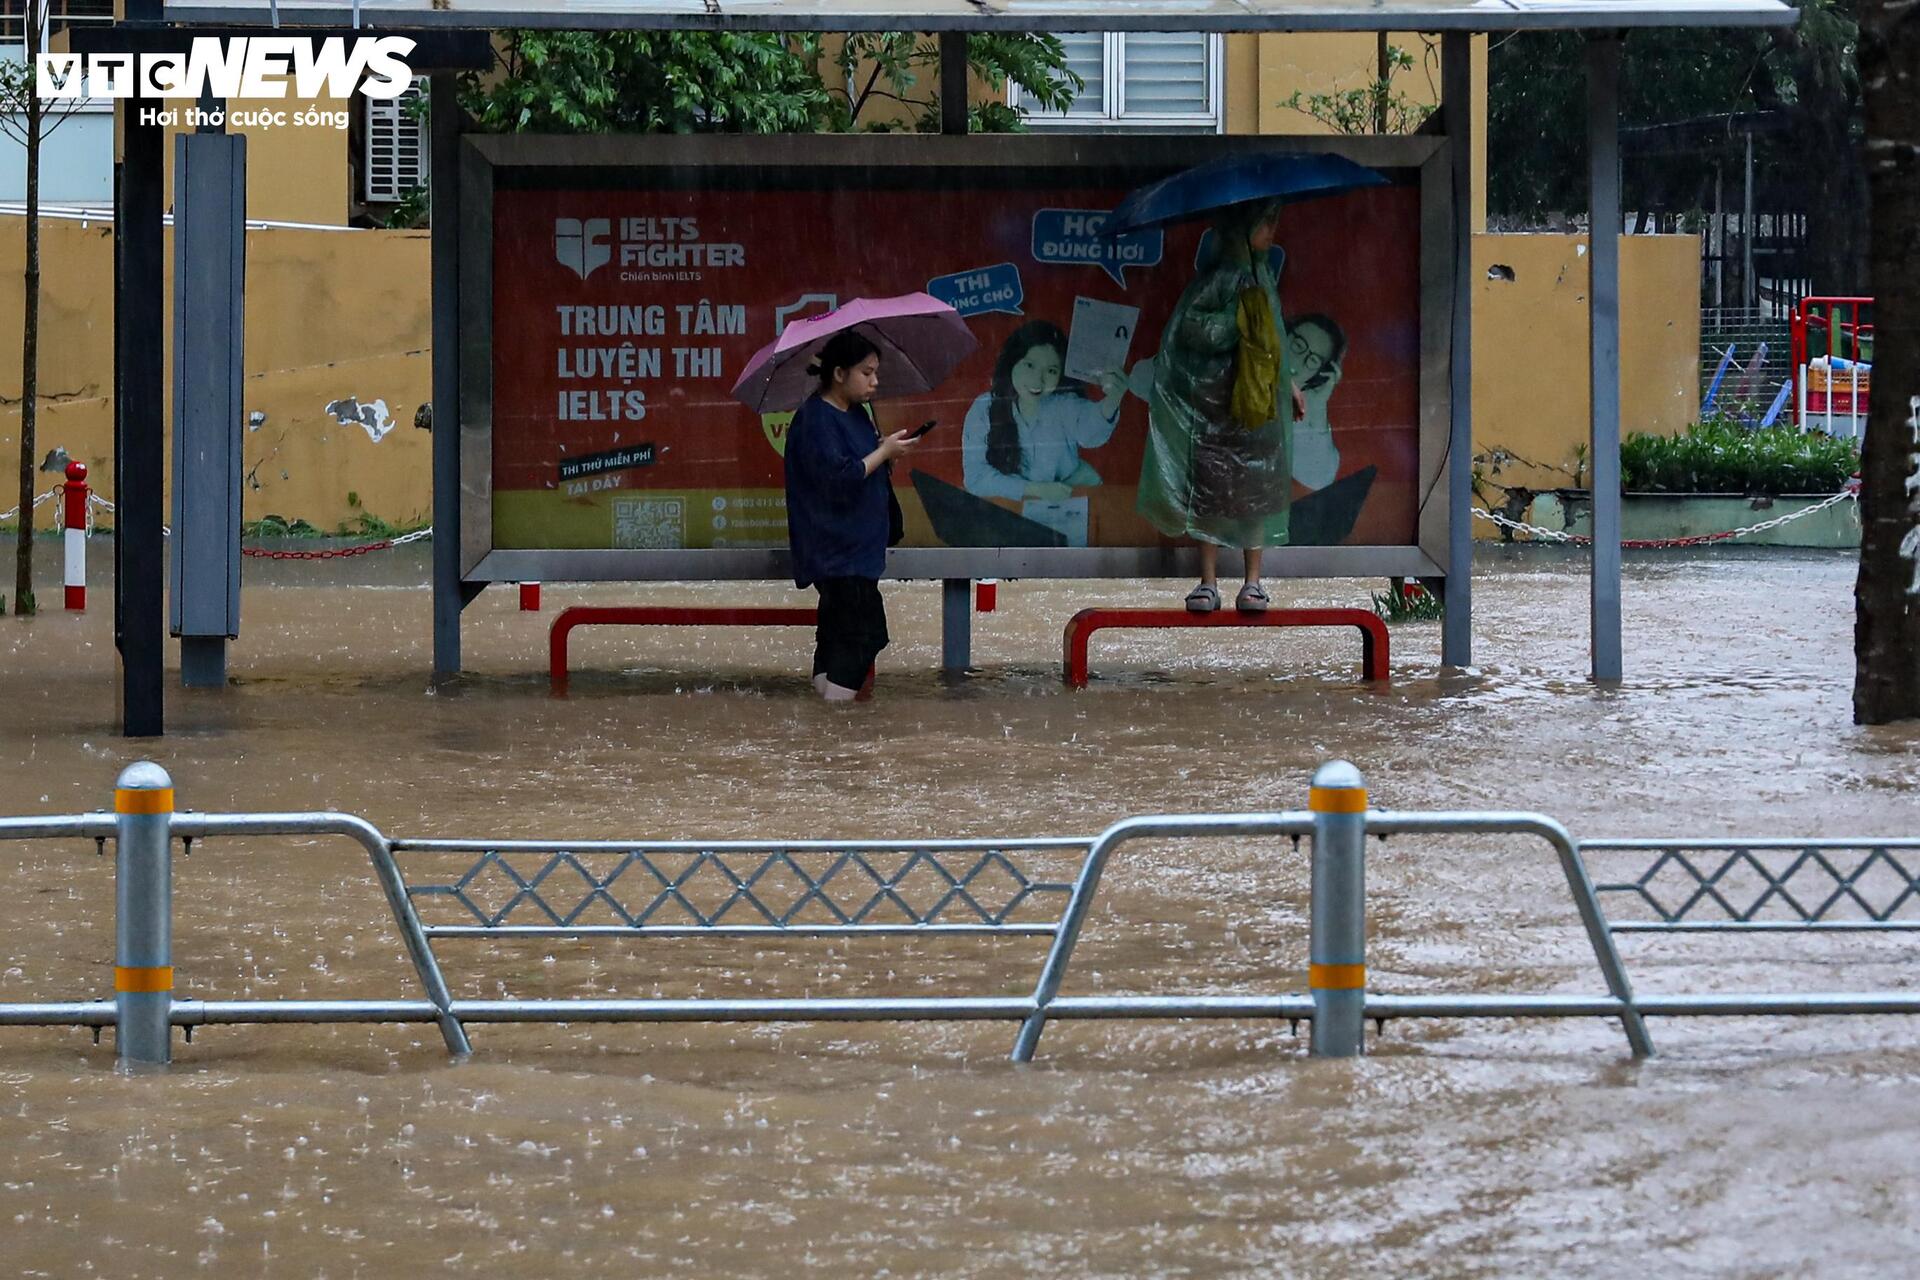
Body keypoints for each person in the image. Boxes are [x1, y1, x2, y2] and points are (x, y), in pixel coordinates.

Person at [1136, 200, 1307, 614]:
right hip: (1215, 408)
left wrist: (1288, 384)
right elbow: (1191, 330)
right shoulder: (1220, 278)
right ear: (1243, 230)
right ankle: (1208, 581)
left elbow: (1273, 342)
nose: (1271, 233)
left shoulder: (1263, 277)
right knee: (1209, 494)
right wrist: (1235, 322)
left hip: (1257, 406)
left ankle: (1253, 582)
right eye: (1265, 225)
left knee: (1257, 491)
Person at [782, 331, 919, 701]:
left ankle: (824, 712)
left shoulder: (857, 413)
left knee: (836, 634)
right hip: (837, 550)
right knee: (865, 634)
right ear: (839, 373)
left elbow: (862, 465)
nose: (875, 381)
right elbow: (839, 478)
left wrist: (884, 452)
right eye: (866, 373)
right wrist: (882, 453)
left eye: (876, 372)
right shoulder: (816, 419)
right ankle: (836, 717)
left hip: (858, 547)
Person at [961, 320, 1128, 502]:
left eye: (1051, 371)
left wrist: (1113, 399)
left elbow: (1091, 432)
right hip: (1012, 499)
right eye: (1029, 365)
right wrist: (1035, 489)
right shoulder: (984, 407)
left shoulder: (1063, 403)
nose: (1038, 380)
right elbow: (975, 477)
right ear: (1012, 362)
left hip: (1069, 490)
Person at [1287, 313, 1348, 493]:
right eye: (1298, 345)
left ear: (1319, 375)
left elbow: (1318, 479)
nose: (1299, 361)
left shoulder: (1301, 415)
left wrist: (1318, 407)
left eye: (1313, 360)